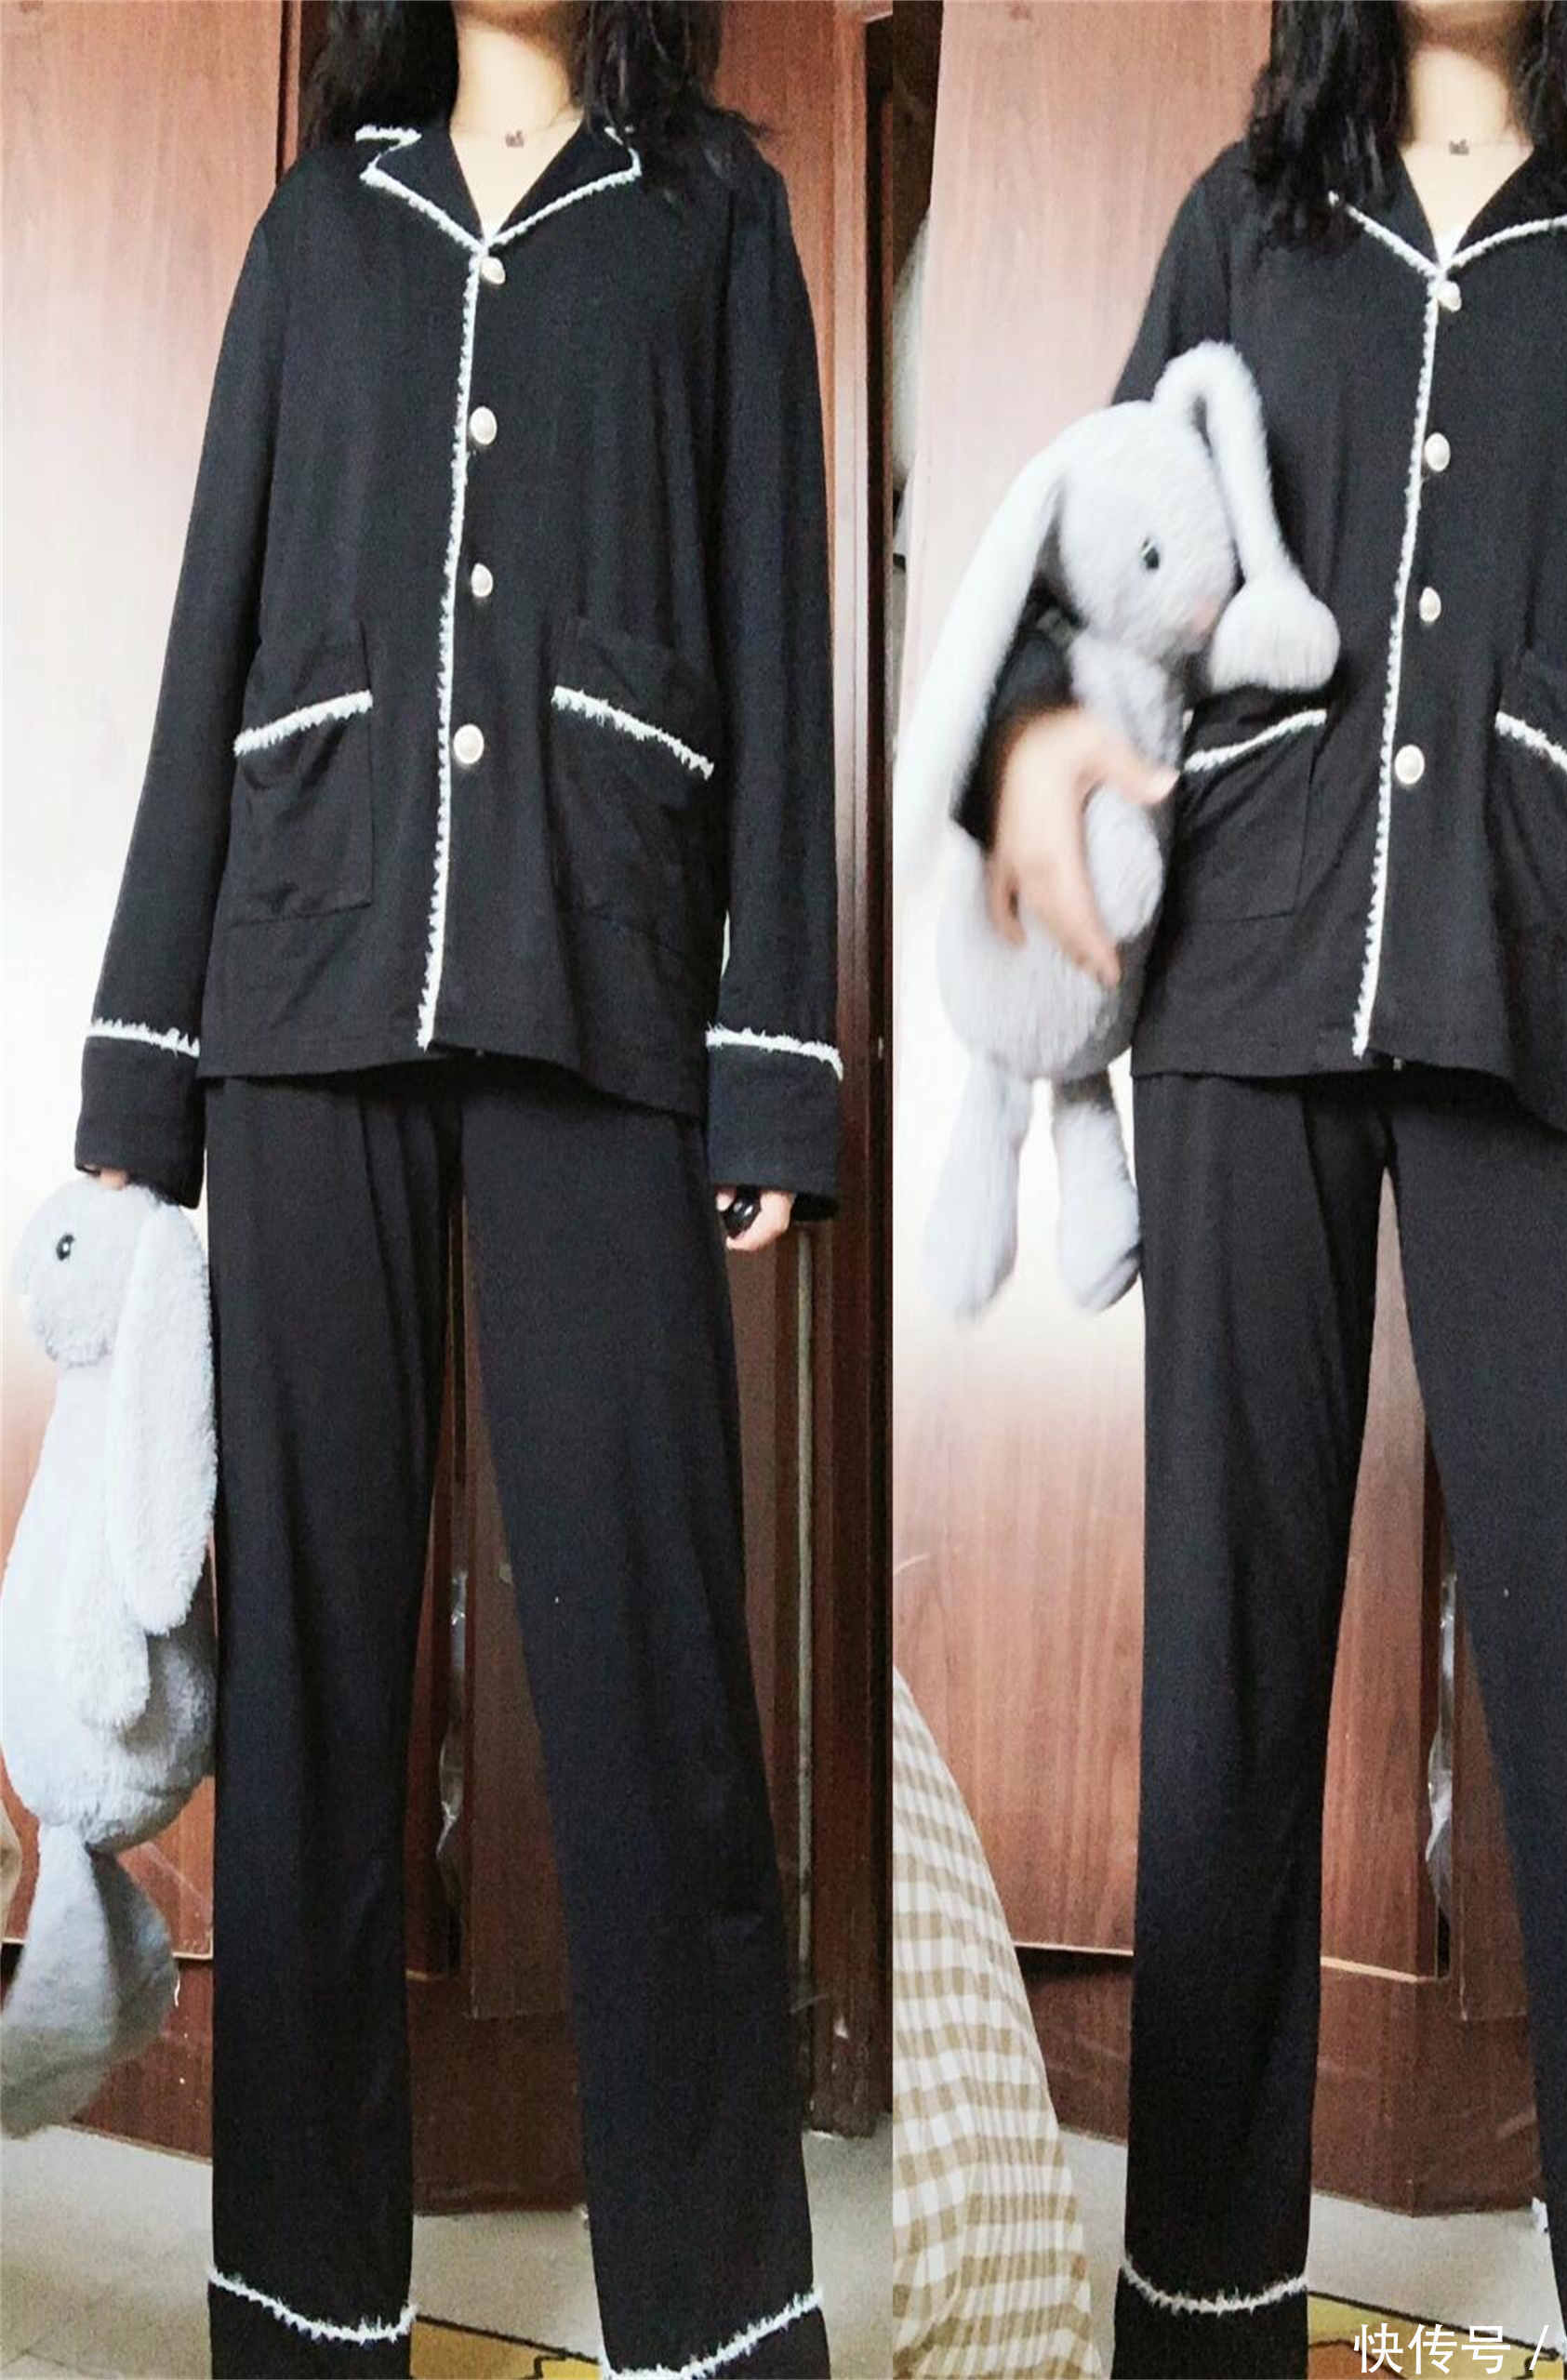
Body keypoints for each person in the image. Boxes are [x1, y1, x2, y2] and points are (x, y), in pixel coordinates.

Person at [962, 2, 1567, 2372]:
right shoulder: (1247, 226)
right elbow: (1097, 552)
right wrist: (1033, 757)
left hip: (1538, 969)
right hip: (1251, 961)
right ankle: (1209, 2300)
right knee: (1225, 1656)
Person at [72, 4, 837, 2374]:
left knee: (658, 1684)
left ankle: (717, 2321)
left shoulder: (716, 215)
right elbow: (213, 623)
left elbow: (781, 629)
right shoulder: (321, 229)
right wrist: (141, 1063)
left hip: (607, 970)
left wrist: (774, 1062)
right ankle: (303, 2319)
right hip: (302, 983)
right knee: (308, 1707)